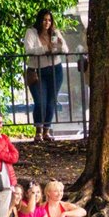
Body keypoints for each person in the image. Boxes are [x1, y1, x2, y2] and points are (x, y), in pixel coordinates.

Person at [24, 9, 69, 143]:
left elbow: (66, 50)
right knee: (40, 101)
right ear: (39, 20)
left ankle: (46, 131)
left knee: (51, 101)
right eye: (44, 20)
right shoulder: (31, 32)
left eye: (49, 20)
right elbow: (29, 50)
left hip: (55, 69)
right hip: (38, 71)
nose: (47, 23)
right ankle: (38, 131)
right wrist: (45, 49)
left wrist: (59, 45)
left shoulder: (55, 32)